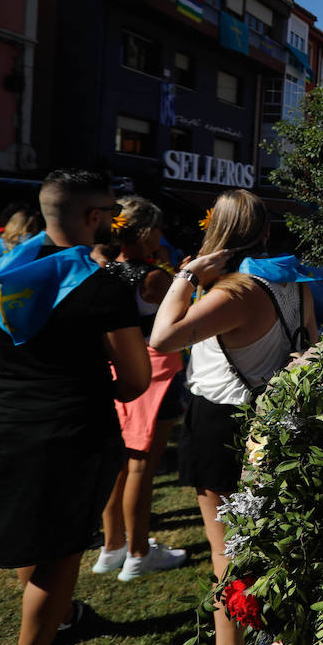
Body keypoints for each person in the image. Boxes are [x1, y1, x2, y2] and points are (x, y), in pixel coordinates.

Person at [0, 169, 150, 645]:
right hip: (72, 429)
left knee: (30, 537)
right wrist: (94, 384)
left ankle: (61, 620)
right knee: (61, 551)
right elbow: (135, 379)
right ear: (93, 217)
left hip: (3, 422)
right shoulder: (103, 284)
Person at [152, 189, 318, 645]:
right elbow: (306, 347)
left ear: (214, 236)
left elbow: (161, 338)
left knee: (227, 552)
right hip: (271, 422)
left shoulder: (234, 293)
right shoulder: (295, 282)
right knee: (265, 542)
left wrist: (185, 277)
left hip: (221, 423)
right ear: (265, 232)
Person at [92, 195, 189, 581]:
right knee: (141, 467)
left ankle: (112, 546)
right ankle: (137, 552)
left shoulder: (104, 272)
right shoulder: (154, 278)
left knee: (119, 463)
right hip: (156, 373)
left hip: (117, 370)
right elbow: (179, 319)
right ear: (149, 233)